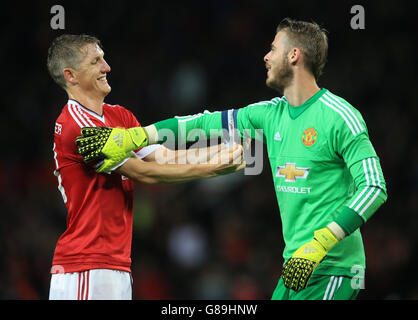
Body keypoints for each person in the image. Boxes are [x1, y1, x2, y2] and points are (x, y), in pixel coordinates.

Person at [78, 18, 388, 300]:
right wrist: (137, 136)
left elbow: (374, 187)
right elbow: (202, 123)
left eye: (273, 49)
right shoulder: (270, 114)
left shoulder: (340, 117)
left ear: (294, 55)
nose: (266, 57)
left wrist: (321, 241)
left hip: (334, 266)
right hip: (295, 266)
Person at [47, 34, 244, 300]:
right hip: (85, 265)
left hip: (116, 263)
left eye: (103, 59)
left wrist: (224, 150)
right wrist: (212, 170)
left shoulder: (120, 115)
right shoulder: (75, 124)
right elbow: (143, 172)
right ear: (70, 75)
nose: (107, 67)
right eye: (95, 61)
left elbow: (162, 157)